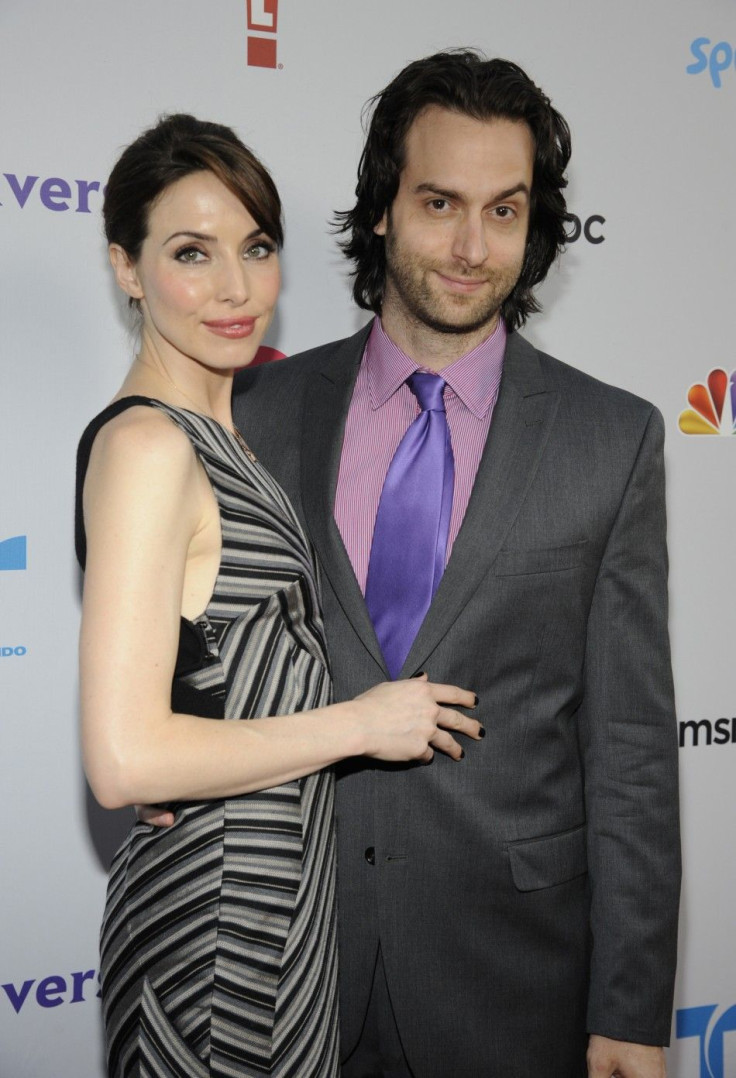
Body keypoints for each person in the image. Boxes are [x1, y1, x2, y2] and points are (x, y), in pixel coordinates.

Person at [230, 51, 681, 1078]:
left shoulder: (611, 440)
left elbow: (632, 752)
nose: (472, 247)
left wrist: (632, 1009)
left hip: (510, 982)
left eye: (505, 210)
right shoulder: (256, 415)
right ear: (382, 207)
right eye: (439, 202)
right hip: (285, 970)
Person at [75, 113, 481, 1078]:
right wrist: (362, 723)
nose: (234, 287)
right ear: (127, 269)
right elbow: (126, 761)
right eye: (190, 252)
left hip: (277, 894)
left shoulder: (226, 435)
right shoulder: (147, 447)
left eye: (255, 248)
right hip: (217, 921)